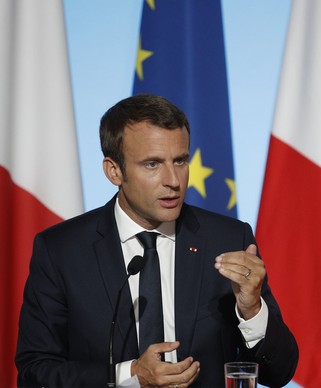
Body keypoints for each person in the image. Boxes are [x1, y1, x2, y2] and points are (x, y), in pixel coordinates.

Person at [15, 94, 298, 387]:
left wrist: (251, 310)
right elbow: (35, 373)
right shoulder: (62, 251)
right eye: (152, 164)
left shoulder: (226, 240)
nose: (173, 180)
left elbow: (279, 373)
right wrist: (130, 376)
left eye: (180, 161)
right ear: (114, 171)